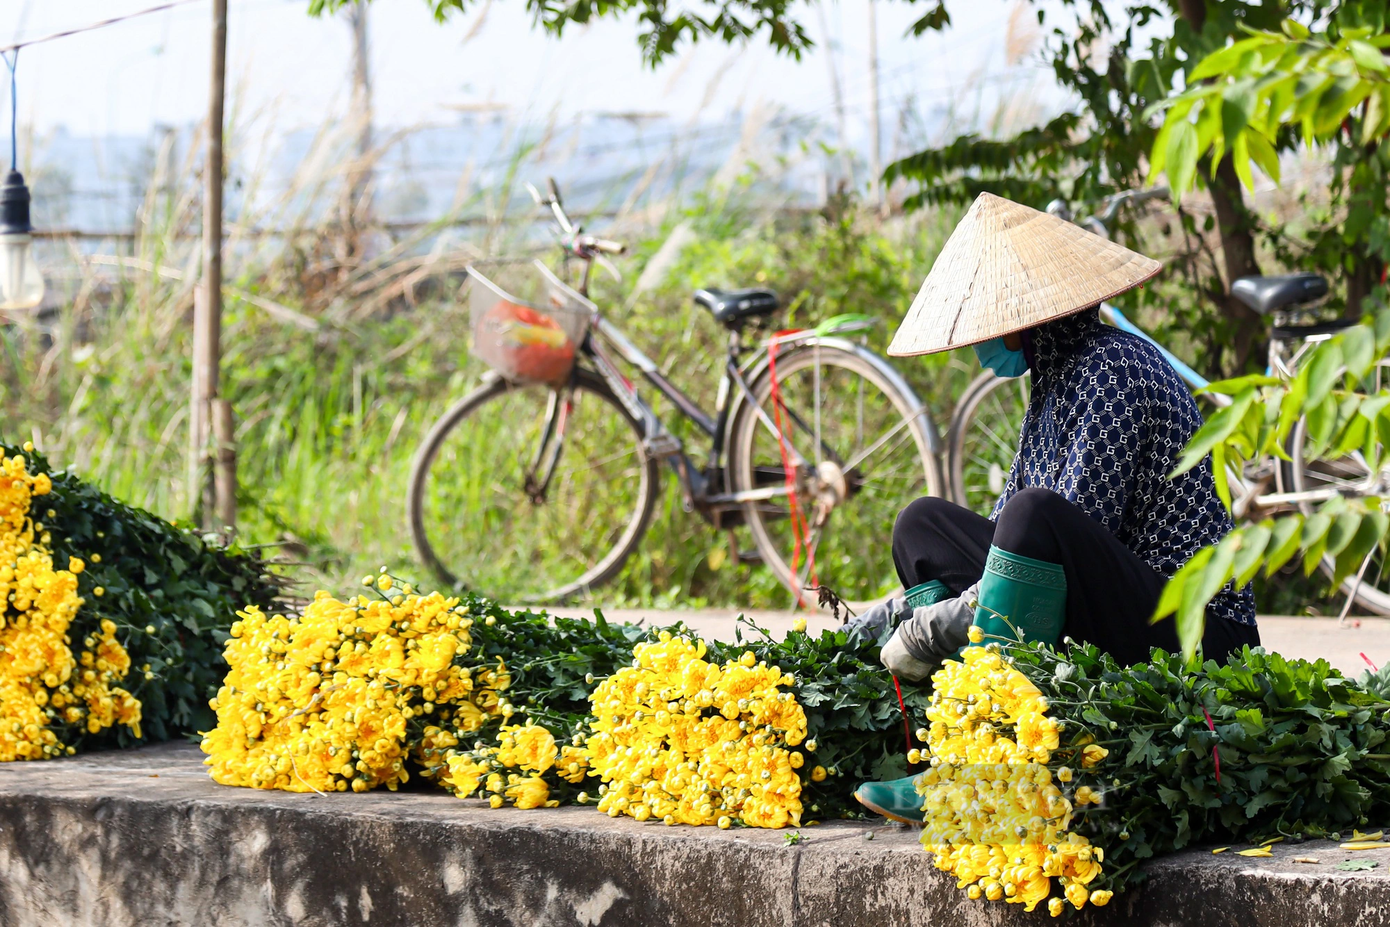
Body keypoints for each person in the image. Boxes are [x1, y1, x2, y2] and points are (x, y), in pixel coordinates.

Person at [849, 192, 1259, 822]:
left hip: (1199, 629)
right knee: (922, 526)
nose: (979, 346)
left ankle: (985, 768)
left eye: (988, 327)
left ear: (1028, 319)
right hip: (1111, 603)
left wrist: (941, 624)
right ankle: (955, 729)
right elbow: (1012, 554)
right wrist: (896, 611)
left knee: (1032, 516)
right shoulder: (1056, 378)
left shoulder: (1115, 372)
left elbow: (1054, 535)